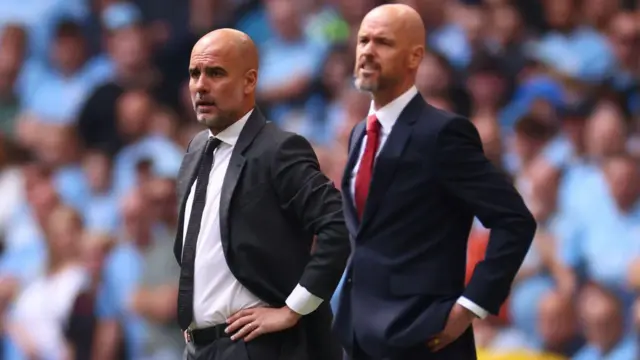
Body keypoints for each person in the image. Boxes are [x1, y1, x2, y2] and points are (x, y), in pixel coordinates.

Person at [332, 5, 536, 360]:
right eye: (363, 40)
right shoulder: (358, 135)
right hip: (357, 336)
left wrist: (471, 305)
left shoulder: (442, 133)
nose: (367, 50)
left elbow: (514, 219)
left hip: (424, 337)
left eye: (382, 42)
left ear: (415, 57)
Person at [174, 28, 349, 360]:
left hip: (259, 347)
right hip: (200, 348)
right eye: (195, 74)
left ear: (249, 81)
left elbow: (338, 223)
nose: (201, 85)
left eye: (215, 73)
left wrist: (293, 309)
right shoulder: (196, 149)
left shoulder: (278, 149)